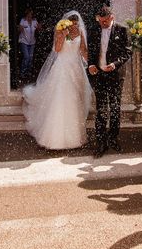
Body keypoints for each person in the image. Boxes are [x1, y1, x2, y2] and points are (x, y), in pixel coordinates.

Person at [22, 11, 92, 150]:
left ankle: (74, 137)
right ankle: (54, 138)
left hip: (75, 67)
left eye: (76, 25)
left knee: (74, 99)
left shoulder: (80, 32)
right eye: (72, 24)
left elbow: (83, 50)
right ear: (67, 23)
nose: (74, 27)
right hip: (62, 66)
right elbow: (57, 50)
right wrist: (63, 36)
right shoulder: (60, 31)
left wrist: (89, 64)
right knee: (60, 98)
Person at [87, 5, 132, 158]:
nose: (102, 24)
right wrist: (91, 65)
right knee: (101, 109)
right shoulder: (94, 30)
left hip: (115, 75)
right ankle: (101, 142)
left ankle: (113, 138)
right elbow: (92, 50)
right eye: (100, 21)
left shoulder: (122, 30)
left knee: (114, 107)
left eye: (105, 21)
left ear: (112, 17)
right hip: (99, 74)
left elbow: (127, 52)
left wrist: (115, 64)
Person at [17, 8, 41, 82]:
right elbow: (19, 29)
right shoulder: (23, 21)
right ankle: (22, 72)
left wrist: (39, 27)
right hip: (24, 41)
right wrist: (20, 28)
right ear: (27, 14)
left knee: (30, 57)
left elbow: (39, 29)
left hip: (32, 42)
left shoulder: (34, 21)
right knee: (26, 57)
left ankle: (28, 72)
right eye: (29, 13)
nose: (31, 15)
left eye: (31, 13)